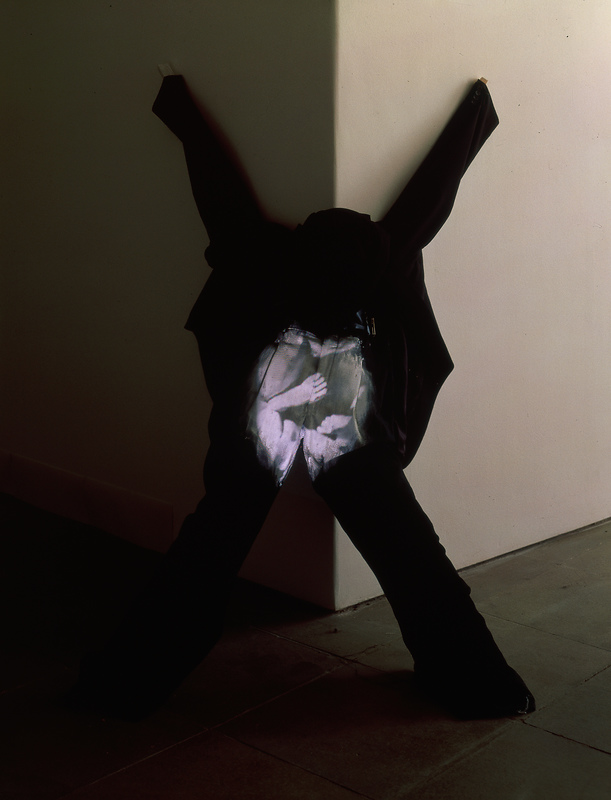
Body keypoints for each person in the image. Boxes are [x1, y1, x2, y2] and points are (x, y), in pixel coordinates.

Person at [67, 71, 535, 721]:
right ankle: (474, 679)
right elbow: (429, 198)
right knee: (402, 541)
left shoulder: (263, 254)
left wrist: (180, 110)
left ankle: (126, 682)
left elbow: (222, 196)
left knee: (218, 536)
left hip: (283, 420)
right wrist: (476, 117)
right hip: (339, 425)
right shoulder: (379, 254)